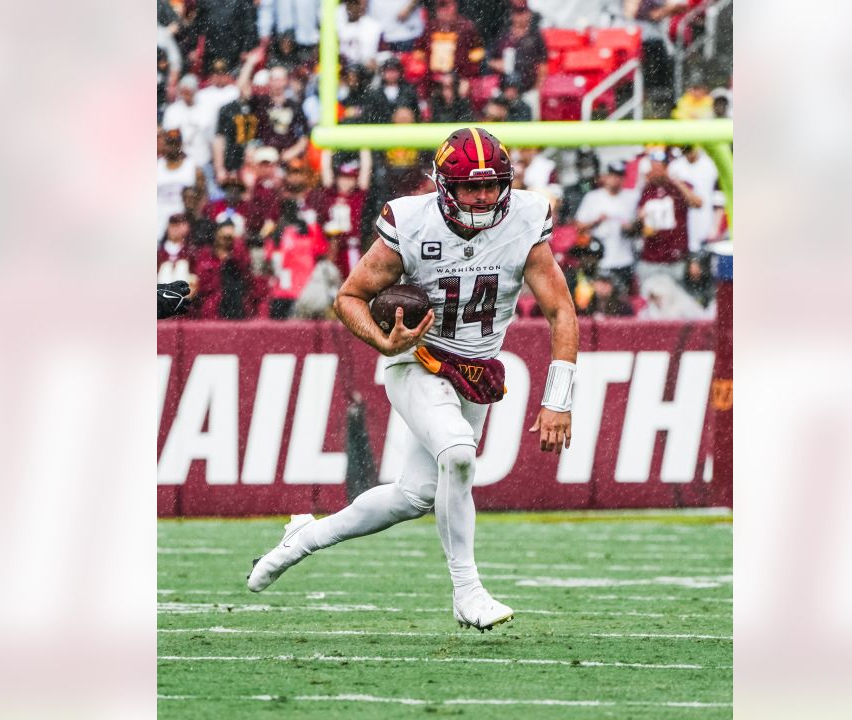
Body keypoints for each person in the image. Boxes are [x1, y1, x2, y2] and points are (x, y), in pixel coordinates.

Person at [248, 128, 579, 633]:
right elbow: (350, 296)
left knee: (413, 495)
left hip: (476, 369)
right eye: (471, 187)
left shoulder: (526, 218)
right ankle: (467, 591)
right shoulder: (410, 220)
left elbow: (561, 310)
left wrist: (559, 400)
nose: (484, 197)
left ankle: (307, 536)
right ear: (443, 186)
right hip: (417, 360)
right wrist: (383, 344)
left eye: (492, 186)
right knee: (459, 453)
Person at [632, 149, 702, 286]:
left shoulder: (677, 187)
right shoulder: (647, 190)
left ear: (666, 168)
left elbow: (698, 203)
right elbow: (638, 218)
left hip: (674, 257)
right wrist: (641, 218)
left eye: (659, 167)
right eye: (653, 167)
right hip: (651, 257)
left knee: (675, 301)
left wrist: (677, 183)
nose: (655, 172)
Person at [574, 160, 640, 292]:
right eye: (613, 175)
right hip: (598, 260)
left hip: (624, 260)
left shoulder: (631, 197)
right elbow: (578, 226)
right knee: (597, 300)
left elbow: (639, 228)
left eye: (620, 176)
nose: (616, 179)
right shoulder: (593, 197)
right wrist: (596, 221)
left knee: (621, 301)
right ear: (605, 177)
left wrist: (631, 227)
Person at [666, 145, 720, 251]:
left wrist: (716, 227)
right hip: (682, 232)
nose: (689, 152)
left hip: (705, 229)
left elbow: (717, 201)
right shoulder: (675, 167)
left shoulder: (710, 165)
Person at [157, 129, 205, 243]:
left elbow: (202, 195)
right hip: (158, 220)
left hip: (183, 221)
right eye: (169, 143)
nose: (172, 147)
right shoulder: (157, 166)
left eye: (175, 143)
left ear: (180, 144)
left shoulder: (192, 167)